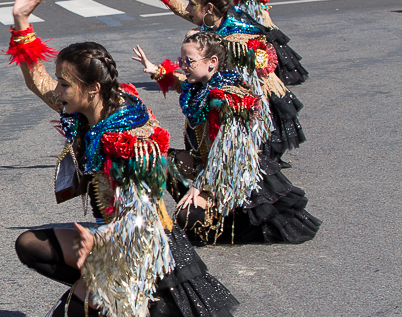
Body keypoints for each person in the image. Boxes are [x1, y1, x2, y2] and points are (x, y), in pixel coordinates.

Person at [7, 0, 237, 317]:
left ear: (92, 89)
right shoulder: (88, 109)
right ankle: (106, 296)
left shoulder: (129, 140)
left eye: (66, 85)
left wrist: (99, 243)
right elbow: (39, 82)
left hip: (142, 245)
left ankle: (134, 303)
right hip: (109, 233)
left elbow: (141, 220)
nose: (58, 91)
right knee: (28, 245)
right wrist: (20, 21)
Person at [133, 32, 320, 245]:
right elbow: (179, 81)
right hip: (205, 164)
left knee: (187, 220)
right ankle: (199, 202)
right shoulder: (198, 86)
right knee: (160, 161)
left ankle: (224, 217)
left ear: (212, 62)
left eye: (189, 61)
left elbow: (228, 154)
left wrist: (202, 184)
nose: (184, 65)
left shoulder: (227, 98)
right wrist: (156, 69)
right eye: (181, 60)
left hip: (232, 175)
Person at [138, 0, 307, 161]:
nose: (188, 8)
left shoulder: (237, 40)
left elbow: (253, 88)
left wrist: (163, 73)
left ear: (208, 7)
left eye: (192, 3)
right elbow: (180, 8)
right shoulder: (210, 22)